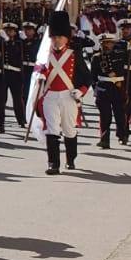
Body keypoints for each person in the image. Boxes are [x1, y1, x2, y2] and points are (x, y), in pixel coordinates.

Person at [37, 11, 90, 174]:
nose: (57, 40)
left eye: (60, 37)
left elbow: (87, 78)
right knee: (51, 129)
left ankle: (70, 159)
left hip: (68, 95)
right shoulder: (44, 55)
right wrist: (40, 74)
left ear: (67, 37)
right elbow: (40, 70)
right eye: (54, 37)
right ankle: (53, 163)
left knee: (69, 129)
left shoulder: (74, 54)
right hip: (50, 96)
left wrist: (80, 92)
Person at [91, 32, 130, 148]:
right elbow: (93, 76)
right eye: (105, 43)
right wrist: (96, 90)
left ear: (113, 44)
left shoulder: (121, 55)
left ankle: (122, 135)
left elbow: (130, 63)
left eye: (109, 43)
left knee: (120, 114)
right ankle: (104, 139)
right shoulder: (97, 58)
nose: (107, 45)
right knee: (105, 116)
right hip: (103, 88)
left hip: (118, 88)